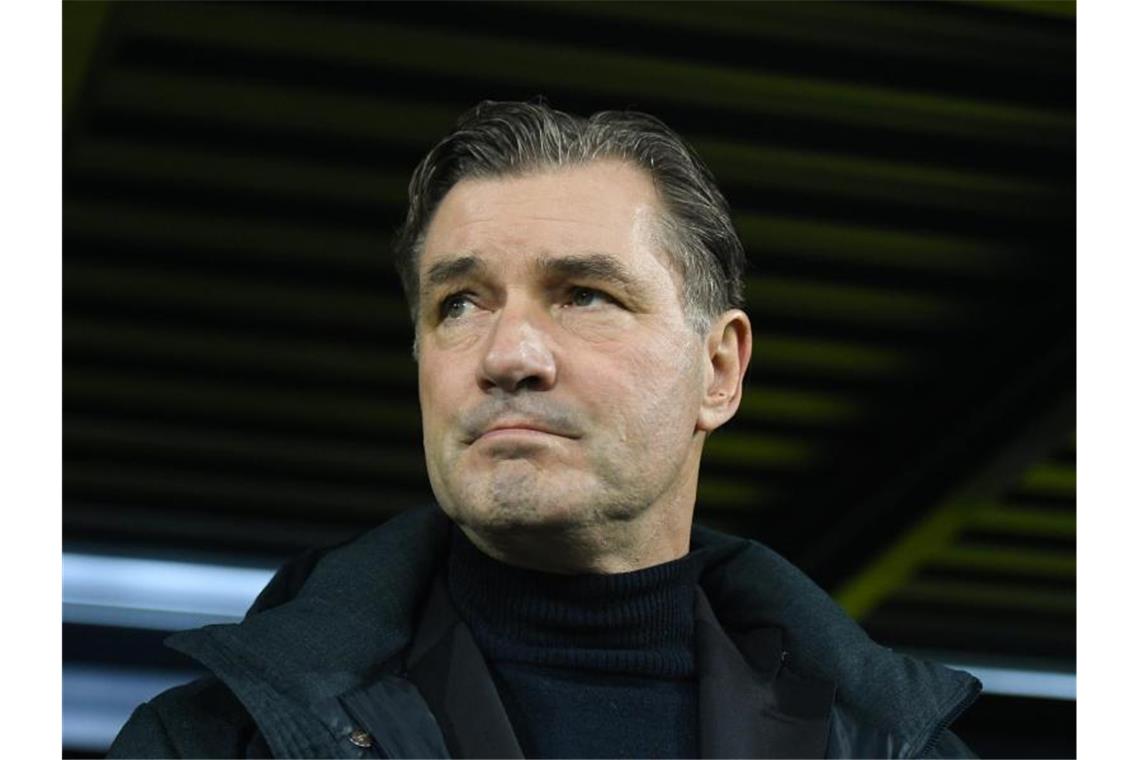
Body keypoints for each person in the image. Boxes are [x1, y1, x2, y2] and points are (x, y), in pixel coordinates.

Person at [108, 101, 980, 758]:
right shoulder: (208, 743)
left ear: (718, 371)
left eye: (584, 295)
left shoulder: (891, 745)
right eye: (460, 303)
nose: (508, 355)